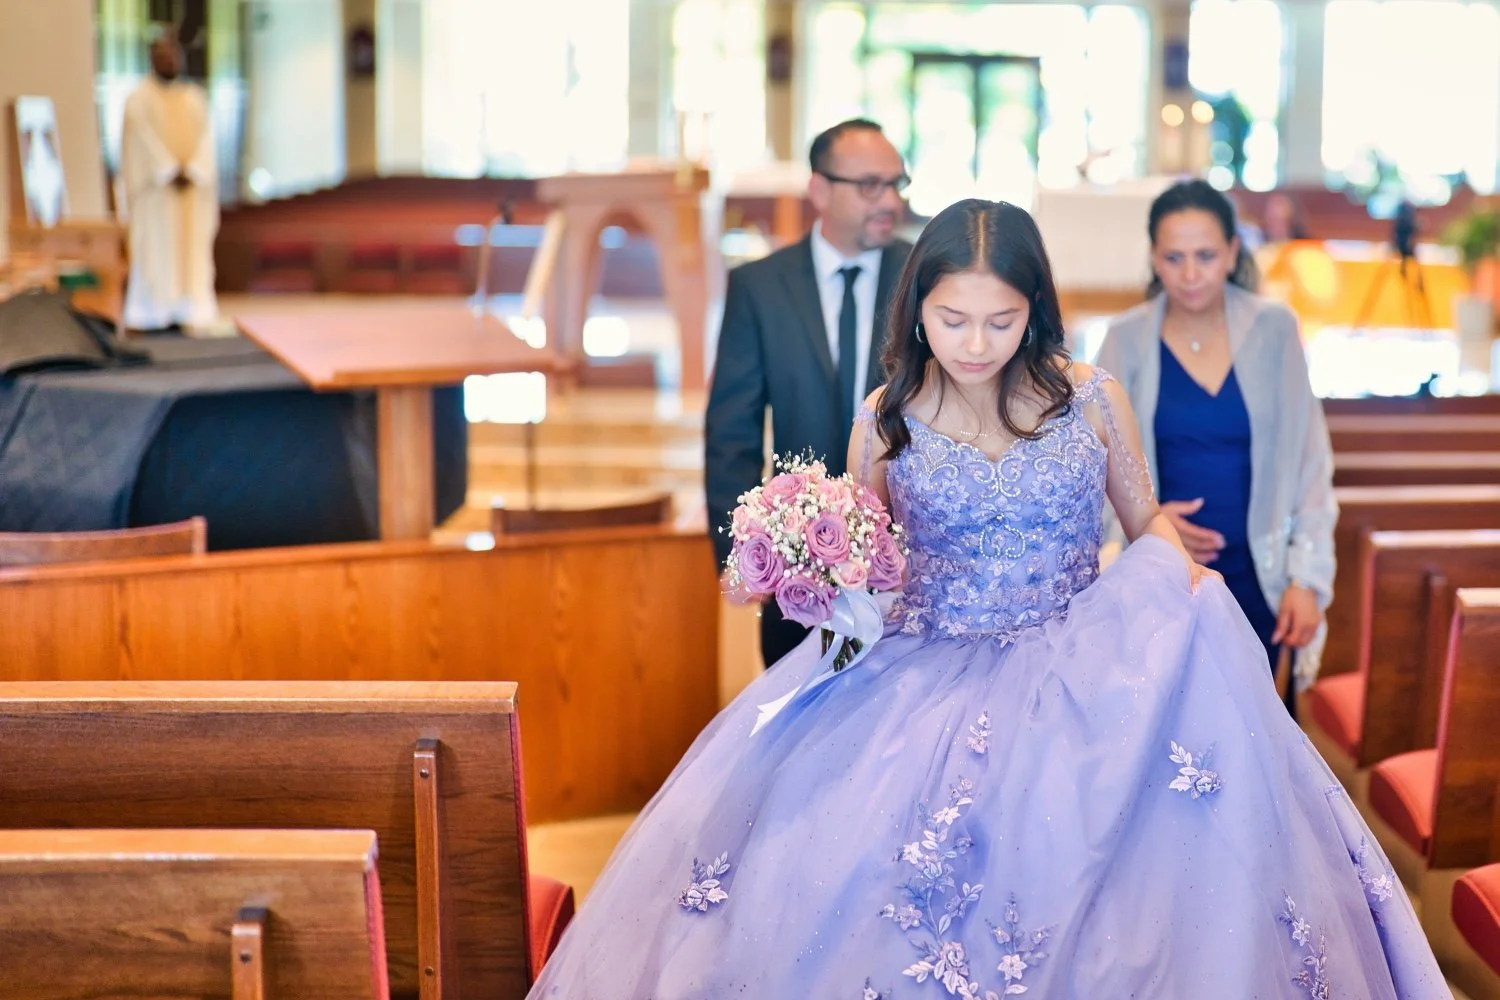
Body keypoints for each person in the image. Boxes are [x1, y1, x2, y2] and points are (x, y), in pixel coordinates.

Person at [528, 200, 1443, 998]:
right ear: (917, 308)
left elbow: (1144, 517)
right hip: (919, 676)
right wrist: (813, 573)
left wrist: (1185, 583)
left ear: (1033, 311)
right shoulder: (884, 418)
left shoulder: (1091, 399)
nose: (975, 346)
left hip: (1081, 661)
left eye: (1001, 322)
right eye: (952, 319)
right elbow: (870, 563)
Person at [1096, 179, 1336, 715]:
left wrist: (1307, 577)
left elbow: (1310, 460)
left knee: (1259, 733)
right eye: (1173, 257)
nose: (1189, 273)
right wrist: (1149, 525)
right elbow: (1094, 463)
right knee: (1171, 735)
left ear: (1232, 251)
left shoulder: (1274, 329)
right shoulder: (1126, 338)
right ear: (1154, 258)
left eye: (1205, 255)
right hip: (1166, 571)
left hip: (1260, 569)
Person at [705, 119, 912, 668]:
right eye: (870, 185)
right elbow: (732, 429)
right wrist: (740, 554)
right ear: (820, 189)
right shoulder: (760, 286)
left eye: (896, 183)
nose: (889, 199)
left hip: (907, 553)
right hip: (796, 559)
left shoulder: (921, 278)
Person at [120, 26, 219, 334]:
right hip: (157, 194)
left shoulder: (194, 98)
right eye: (162, 55)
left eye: (173, 55)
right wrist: (166, 169)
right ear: (151, 59)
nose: (169, 60)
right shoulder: (138, 99)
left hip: (190, 189)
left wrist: (193, 170)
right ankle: (151, 313)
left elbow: (207, 140)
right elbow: (140, 141)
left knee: (192, 254)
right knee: (155, 251)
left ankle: (191, 311)